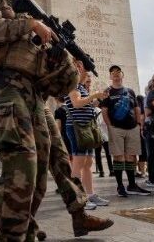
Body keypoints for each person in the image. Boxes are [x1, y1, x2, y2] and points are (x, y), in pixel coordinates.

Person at [0, 0, 112, 240]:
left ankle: (77, 214)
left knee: (56, 162)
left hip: (36, 98)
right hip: (8, 93)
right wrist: (30, 26)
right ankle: (7, 236)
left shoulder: (37, 18)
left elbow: (58, 87)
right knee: (22, 167)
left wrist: (60, 58)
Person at [100, 65, 150, 197]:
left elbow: (136, 109)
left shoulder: (130, 91)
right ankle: (120, 186)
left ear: (123, 75)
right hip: (116, 128)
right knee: (118, 157)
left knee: (131, 157)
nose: (116, 74)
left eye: (118, 72)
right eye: (113, 72)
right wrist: (110, 126)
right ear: (110, 77)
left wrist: (139, 124)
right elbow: (104, 111)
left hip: (132, 127)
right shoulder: (107, 92)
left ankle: (132, 185)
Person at [66, 66, 111, 208]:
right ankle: (77, 198)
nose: (87, 74)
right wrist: (93, 96)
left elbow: (85, 104)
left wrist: (96, 100)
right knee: (78, 162)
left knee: (88, 163)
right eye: (83, 70)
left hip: (86, 127)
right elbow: (76, 103)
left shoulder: (81, 87)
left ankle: (90, 194)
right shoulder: (72, 85)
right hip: (77, 127)